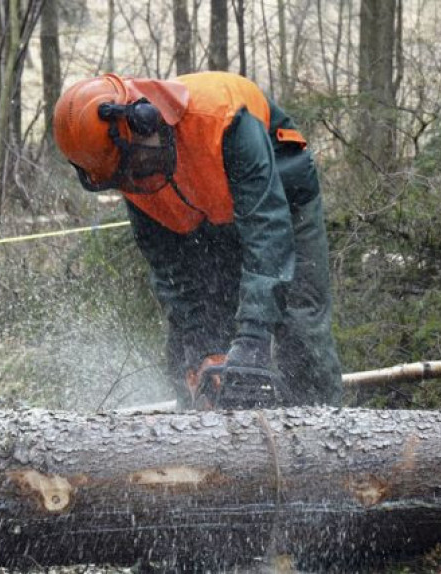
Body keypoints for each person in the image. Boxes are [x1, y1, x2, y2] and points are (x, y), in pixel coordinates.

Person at [53, 71, 343, 409]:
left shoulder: (222, 120)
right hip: (201, 217)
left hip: (281, 203)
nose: (134, 182)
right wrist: (202, 348)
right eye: (122, 177)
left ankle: (322, 432)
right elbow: (170, 270)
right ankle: (200, 445)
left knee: (299, 323)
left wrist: (252, 338)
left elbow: (267, 230)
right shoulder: (130, 172)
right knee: (187, 349)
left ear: (145, 123)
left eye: (137, 165)